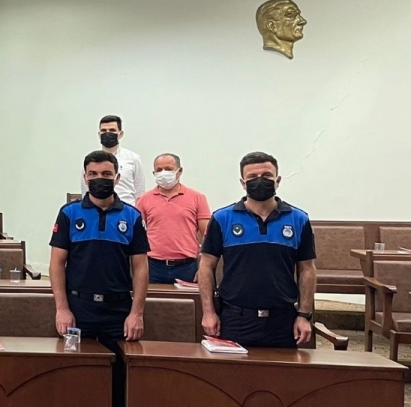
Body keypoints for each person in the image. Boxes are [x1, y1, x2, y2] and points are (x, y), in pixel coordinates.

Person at [49, 150, 148, 407]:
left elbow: (140, 268)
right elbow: (57, 264)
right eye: (93, 174)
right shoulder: (69, 214)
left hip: (118, 313)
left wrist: (136, 313)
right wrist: (62, 309)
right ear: (85, 177)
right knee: (77, 384)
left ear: (117, 177)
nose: (99, 179)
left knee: (119, 389)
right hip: (78, 313)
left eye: (106, 174)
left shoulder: (132, 216)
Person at [199, 152, 316, 348]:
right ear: (243, 183)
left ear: (278, 180)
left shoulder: (299, 219)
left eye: (267, 176)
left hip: (283, 319)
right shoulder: (222, 218)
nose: (260, 181)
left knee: (282, 369)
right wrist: (209, 312)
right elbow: (206, 266)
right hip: (235, 318)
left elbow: (307, 269)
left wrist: (304, 315)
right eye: (252, 177)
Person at [135, 153, 210, 284]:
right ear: (154, 173)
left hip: (187, 267)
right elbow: (136, 235)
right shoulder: (144, 200)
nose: (163, 173)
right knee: (152, 298)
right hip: (153, 266)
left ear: (179, 171)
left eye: (168, 169)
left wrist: (204, 266)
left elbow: (208, 235)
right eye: (159, 170)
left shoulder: (197, 198)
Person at [80, 115, 145, 205]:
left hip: (126, 208)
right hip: (96, 209)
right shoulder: (91, 161)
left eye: (112, 130)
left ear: (120, 134)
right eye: (104, 130)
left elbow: (140, 191)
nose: (107, 133)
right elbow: (85, 190)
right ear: (99, 134)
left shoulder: (133, 158)